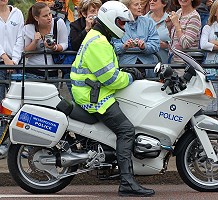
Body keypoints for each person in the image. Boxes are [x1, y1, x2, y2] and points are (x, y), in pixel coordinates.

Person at [70, 1, 155, 197]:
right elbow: (110, 78)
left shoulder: (98, 37)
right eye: (121, 22)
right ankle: (126, 182)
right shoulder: (98, 42)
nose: (124, 27)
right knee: (126, 130)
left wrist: (125, 71)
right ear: (110, 20)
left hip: (93, 91)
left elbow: (106, 70)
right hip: (94, 97)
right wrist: (132, 76)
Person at [0, 0, 24, 159]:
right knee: (1, 104)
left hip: (17, 64)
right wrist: (5, 58)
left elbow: (20, 38)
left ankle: (21, 143)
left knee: (20, 104)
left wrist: (14, 60)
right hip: (1, 64)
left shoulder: (17, 13)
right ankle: (2, 142)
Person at [112, 0, 160, 78]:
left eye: (140, 4)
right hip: (126, 66)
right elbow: (113, 46)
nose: (140, 7)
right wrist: (124, 46)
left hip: (147, 67)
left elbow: (156, 45)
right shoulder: (117, 24)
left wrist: (144, 46)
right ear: (127, 8)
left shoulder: (148, 22)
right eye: (136, 5)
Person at [23, 2, 68, 83]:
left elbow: (65, 44)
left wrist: (54, 47)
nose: (49, 17)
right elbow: (26, 53)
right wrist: (35, 41)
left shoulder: (59, 23)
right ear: (36, 18)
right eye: (45, 16)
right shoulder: (29, 28)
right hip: (32, 71)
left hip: (52, 72)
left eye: (50, 14)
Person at [166, 0, 201, 75]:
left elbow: (186, 44)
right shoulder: (178, 12)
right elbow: (174, 39)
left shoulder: (194, 17)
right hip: (172, 61)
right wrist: (169, 26)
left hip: (185, 65)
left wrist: (176, 24)